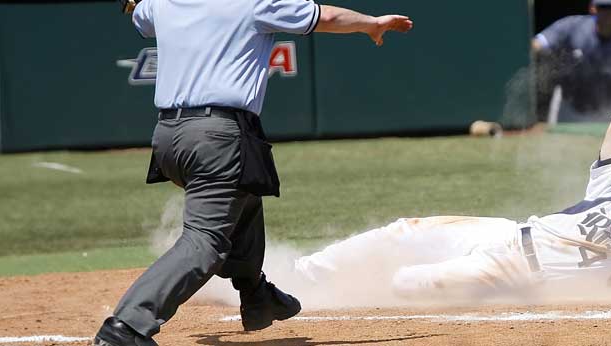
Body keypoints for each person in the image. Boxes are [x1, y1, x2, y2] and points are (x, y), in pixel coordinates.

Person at [94, 1, 413, 345]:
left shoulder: (165, 3)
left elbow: (140, 14)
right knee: (205, 241)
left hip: (169, 137)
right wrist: (372, 24)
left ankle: (256, 295)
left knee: (244, 193)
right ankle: (126, 326)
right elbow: (329, 17)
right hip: (217, 135)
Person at [293, 100, 611, 299]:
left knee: (406, 283)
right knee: (402, 232)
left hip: (512, 271)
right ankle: (298, 277)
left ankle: (354, 288)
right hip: (506, 232)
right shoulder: (607, 194)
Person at [533, 0, 611, 122]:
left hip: (606, 113)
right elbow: (537, 44)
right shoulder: (573, 26)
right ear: (593, 8)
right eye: (603, 7)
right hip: (569, 107)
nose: (608, 12)